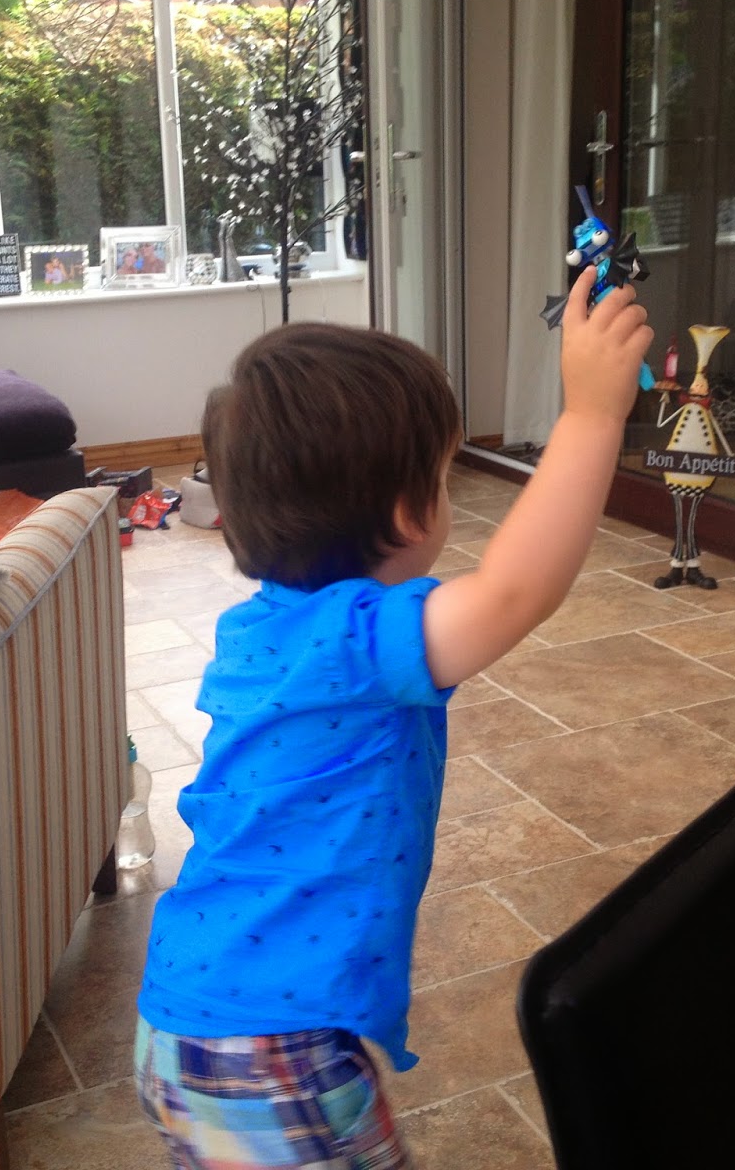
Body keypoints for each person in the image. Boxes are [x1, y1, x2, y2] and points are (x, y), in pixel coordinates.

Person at [134, 266, 651, 1167]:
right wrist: (593, 415)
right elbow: (516, 591)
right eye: (444, 477)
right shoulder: (356, 643)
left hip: (196, 1016)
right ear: (412, 511)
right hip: (272, 1056)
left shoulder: (263, 630)